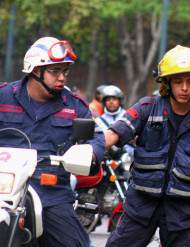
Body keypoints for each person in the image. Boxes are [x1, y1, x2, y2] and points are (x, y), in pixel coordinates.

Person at [104, 45, 190, 247]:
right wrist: (90, 149)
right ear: (168, 83)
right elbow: (115, 133)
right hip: (140, 208)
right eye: (178, 82)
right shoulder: (147, 107)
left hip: (182, 215)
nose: (185, 88)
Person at [0, 37, 105, 246]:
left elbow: (97, 137)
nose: (62, 78)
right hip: (4, 187)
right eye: (55, 71)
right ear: (35, 70)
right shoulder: (3, 96)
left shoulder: (75, 106)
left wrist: (90, 152)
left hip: (50, 193)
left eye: (65, 71)